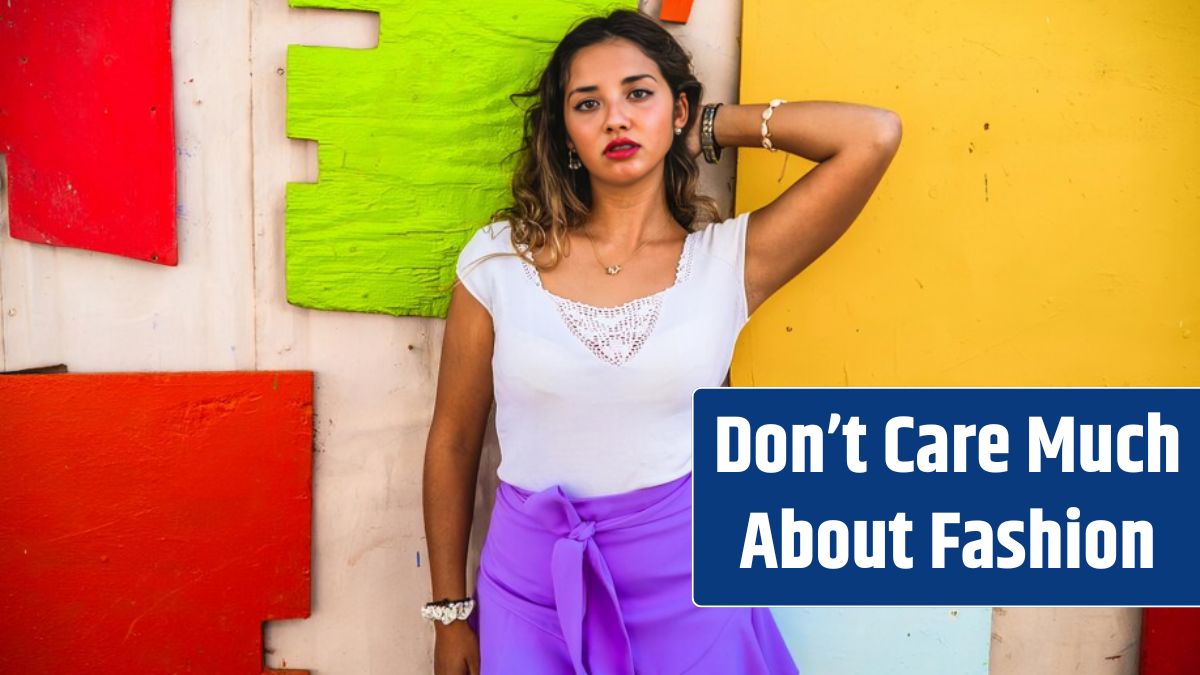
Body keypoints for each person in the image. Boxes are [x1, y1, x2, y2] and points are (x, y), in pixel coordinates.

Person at [422, 8, 901, 674]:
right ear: (564, 132)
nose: (616, 118)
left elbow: (873, 136)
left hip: (690, 595)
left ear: (675, 109)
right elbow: (452, 440)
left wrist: (710, 123)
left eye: (637, 94)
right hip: (531, 598)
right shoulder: (497, 260)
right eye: (587, 104)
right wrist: (450, 611)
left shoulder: (728, 262)